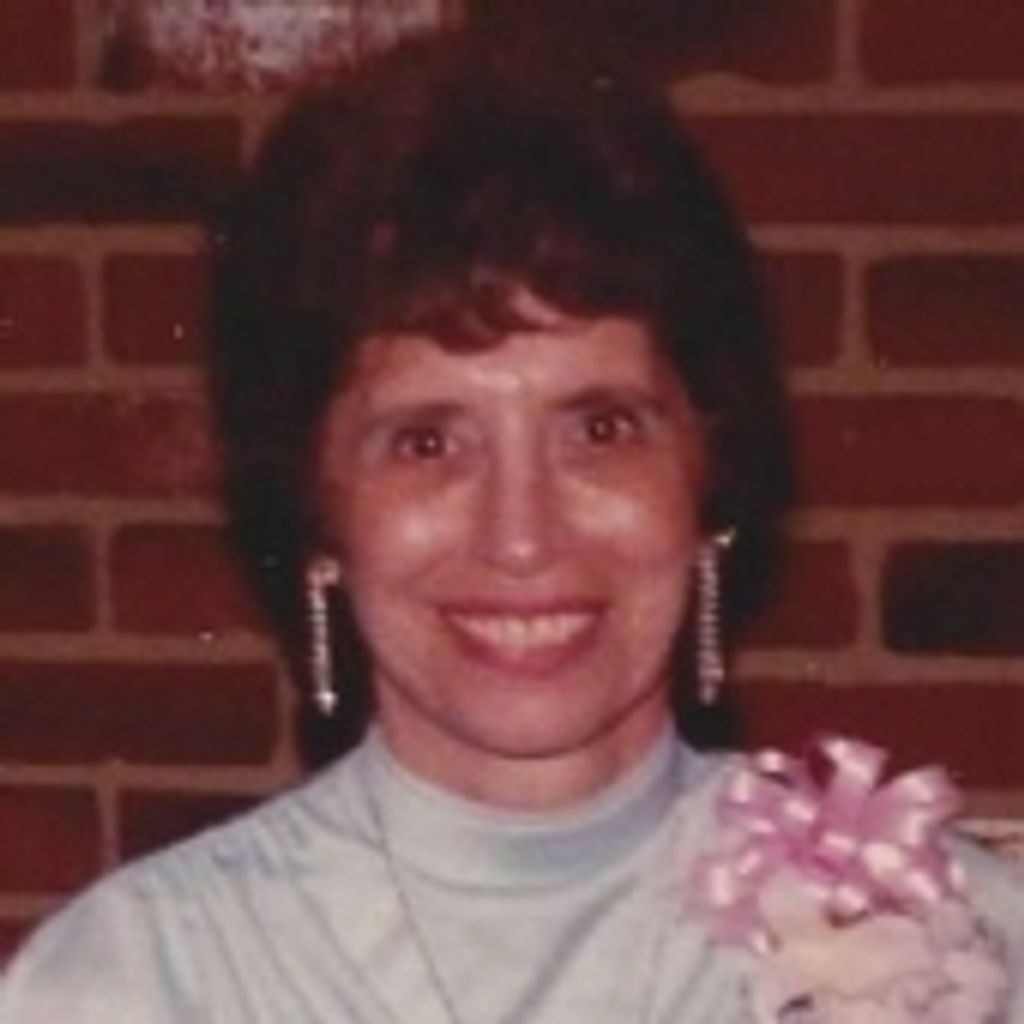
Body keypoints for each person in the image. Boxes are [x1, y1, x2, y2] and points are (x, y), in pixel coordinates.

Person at [2, 34, 1022, 1024]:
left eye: (600, 428)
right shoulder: (138, 982)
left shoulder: (958, 941)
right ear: (316, 508)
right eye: (426, 442)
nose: (522, 536)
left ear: (707, 469)